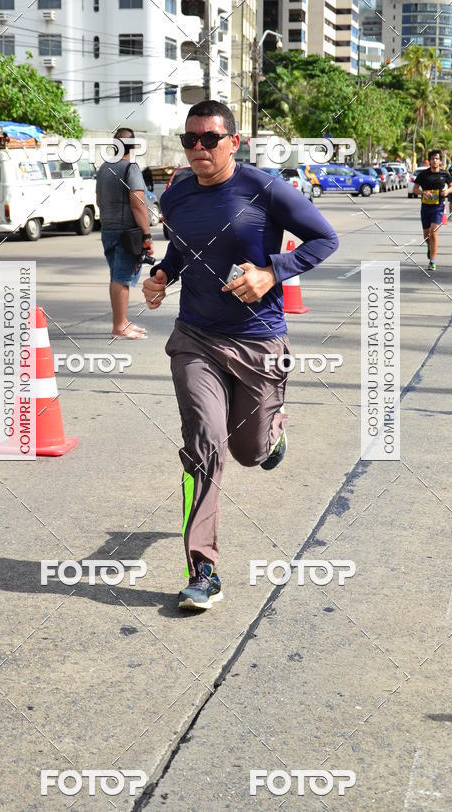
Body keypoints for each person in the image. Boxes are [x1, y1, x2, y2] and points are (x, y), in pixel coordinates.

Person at [141, 100, 339, 611]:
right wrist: (164, 275)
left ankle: (272, 435)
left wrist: (273, 271)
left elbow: (325, 239)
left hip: (258, 341)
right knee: (204, 439)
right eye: (191, 140)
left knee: (250, 452)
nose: (199, 149)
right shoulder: (178, 193)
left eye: (210, 138)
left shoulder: (264, 188)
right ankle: (203, 569)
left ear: (233, 140)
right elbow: (182, 250)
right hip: (196, 338)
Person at [95, 128, 155, 338]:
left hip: (108, 230)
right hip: (127, 233)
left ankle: (123, 321)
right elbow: (138, 203)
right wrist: (147, 236)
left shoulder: (104, 168)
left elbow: (99, 202)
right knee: (122, 279)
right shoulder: (131, 168)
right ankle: (119, 326)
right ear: (135, 146)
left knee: (116, 277)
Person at [412, 149, 452, 272]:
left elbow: (451, 187)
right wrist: (423, 193)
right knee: (426, 236)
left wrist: (447, 191)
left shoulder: (445, 174)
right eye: (432, 159)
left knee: (433, 232)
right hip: (425, 207)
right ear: (429, 161)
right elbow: (415, 189)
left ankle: (432, 261)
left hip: (438, 207)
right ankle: (430, 248)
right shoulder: (423, 175)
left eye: (437, 159)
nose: (434, 161)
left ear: (440, 161)